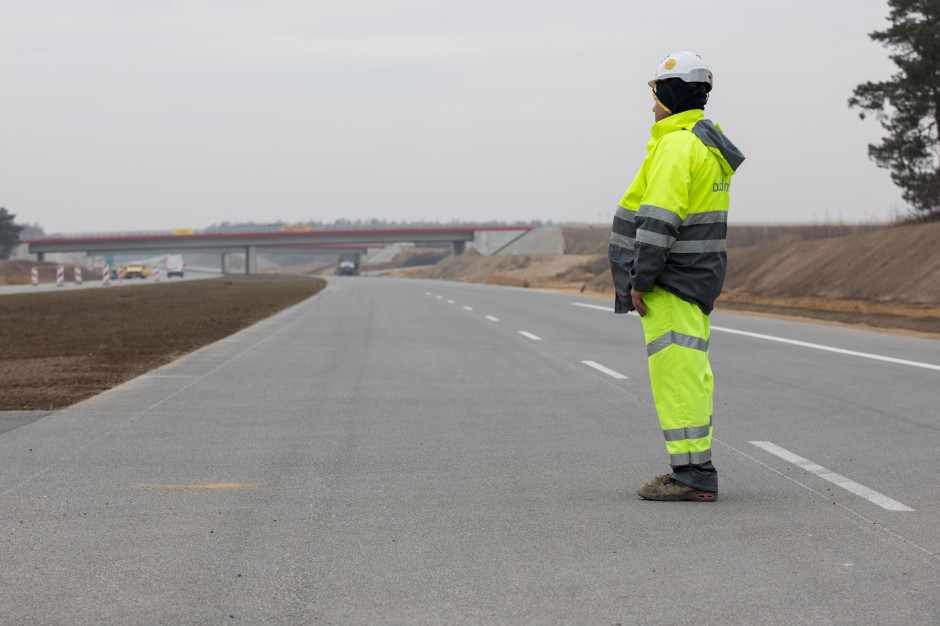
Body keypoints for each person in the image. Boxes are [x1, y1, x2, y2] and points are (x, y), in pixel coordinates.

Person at [609, 51, 745, 502]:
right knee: (691, 371)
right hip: (695, 278)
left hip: (669, 280)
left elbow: (659, 221)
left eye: (654, 93)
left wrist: (641, 280)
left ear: (670, 93)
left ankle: (692, 474)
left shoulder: (677, 144)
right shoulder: (705, 143)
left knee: (676, 376)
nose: (651, 104)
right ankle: (695, 467)